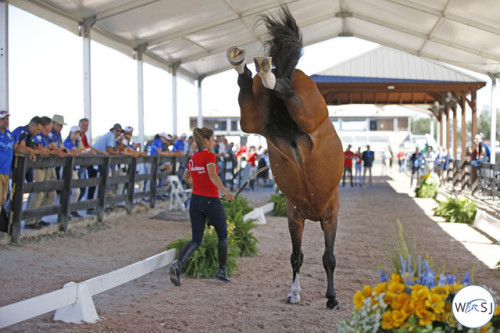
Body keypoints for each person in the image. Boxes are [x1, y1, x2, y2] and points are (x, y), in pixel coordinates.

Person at [170, 127, 234, 286]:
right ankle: (221, 271)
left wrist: (200, 184)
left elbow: (186, 178)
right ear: (206, 140)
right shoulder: (209, 155)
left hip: (195, 201)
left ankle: (179, 264)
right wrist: (225, 191)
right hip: (211, 201)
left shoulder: (193, 157)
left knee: (196, 239)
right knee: (223, 235)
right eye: (212, 139)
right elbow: (212, 175)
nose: (214, 142)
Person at [63, 126, 85, 218]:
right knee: (73, 191)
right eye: (75, 133)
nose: (76, 135)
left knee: (76, 191)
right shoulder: (67, 142)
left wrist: (79, 142)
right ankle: (67, 211)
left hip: (75, 169)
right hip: (67, 169)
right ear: (70, 133)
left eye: (78, 133)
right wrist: (79, 150)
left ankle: (70, 210)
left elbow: (82, 151)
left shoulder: (76, 142)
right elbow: (77, 151)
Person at [0, 110, 14, 232]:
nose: (5, 121)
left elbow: (15, 147)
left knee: (2, 200)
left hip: (5, 171)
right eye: (3, 119)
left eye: (7, 119)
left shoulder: (9, 134)